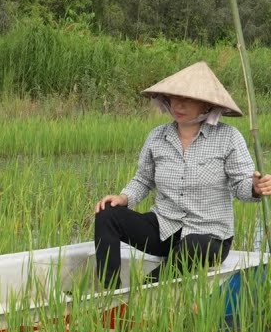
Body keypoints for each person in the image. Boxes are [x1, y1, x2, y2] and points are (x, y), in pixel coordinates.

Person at [93, 61, 269, 289]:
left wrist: (255, 187)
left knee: (194, 243)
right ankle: (109, 291)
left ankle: (146, 289)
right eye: (174, 98)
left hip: (209, 237)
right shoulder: (157, 136)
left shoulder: (228, 137)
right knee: (107, 215)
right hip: (164, 228)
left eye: (187, 99)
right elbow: (143, 179)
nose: (178, 104)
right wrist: (124, 198)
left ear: (206, 104)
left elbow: (241, 185)